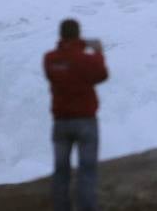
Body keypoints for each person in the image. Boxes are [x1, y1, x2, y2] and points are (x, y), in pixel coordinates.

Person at [44, 18, 109, 211]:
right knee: (87, 171)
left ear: (61, 35)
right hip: (85, 122)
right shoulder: (85, 60)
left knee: (61, 171)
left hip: (61, 123)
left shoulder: (50, 59)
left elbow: (54, 73)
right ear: (78, 34)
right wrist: (97, 51)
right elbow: (102, 74)